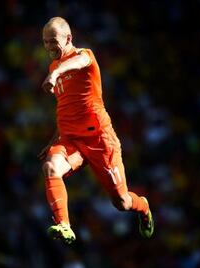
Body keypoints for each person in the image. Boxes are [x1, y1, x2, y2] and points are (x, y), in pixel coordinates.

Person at [38, 17, 154, 244]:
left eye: (53, 41)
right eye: (45, 42)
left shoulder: (84, 57)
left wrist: (55, 73)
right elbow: (66, 106)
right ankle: (64, 224)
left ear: (68, 38)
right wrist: (54, 139)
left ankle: (143, 207)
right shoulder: (54, 65)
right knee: (51, 167)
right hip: (72, 140)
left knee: (121, 202)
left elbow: (77, 62)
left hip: (100, 140)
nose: (49, 47)